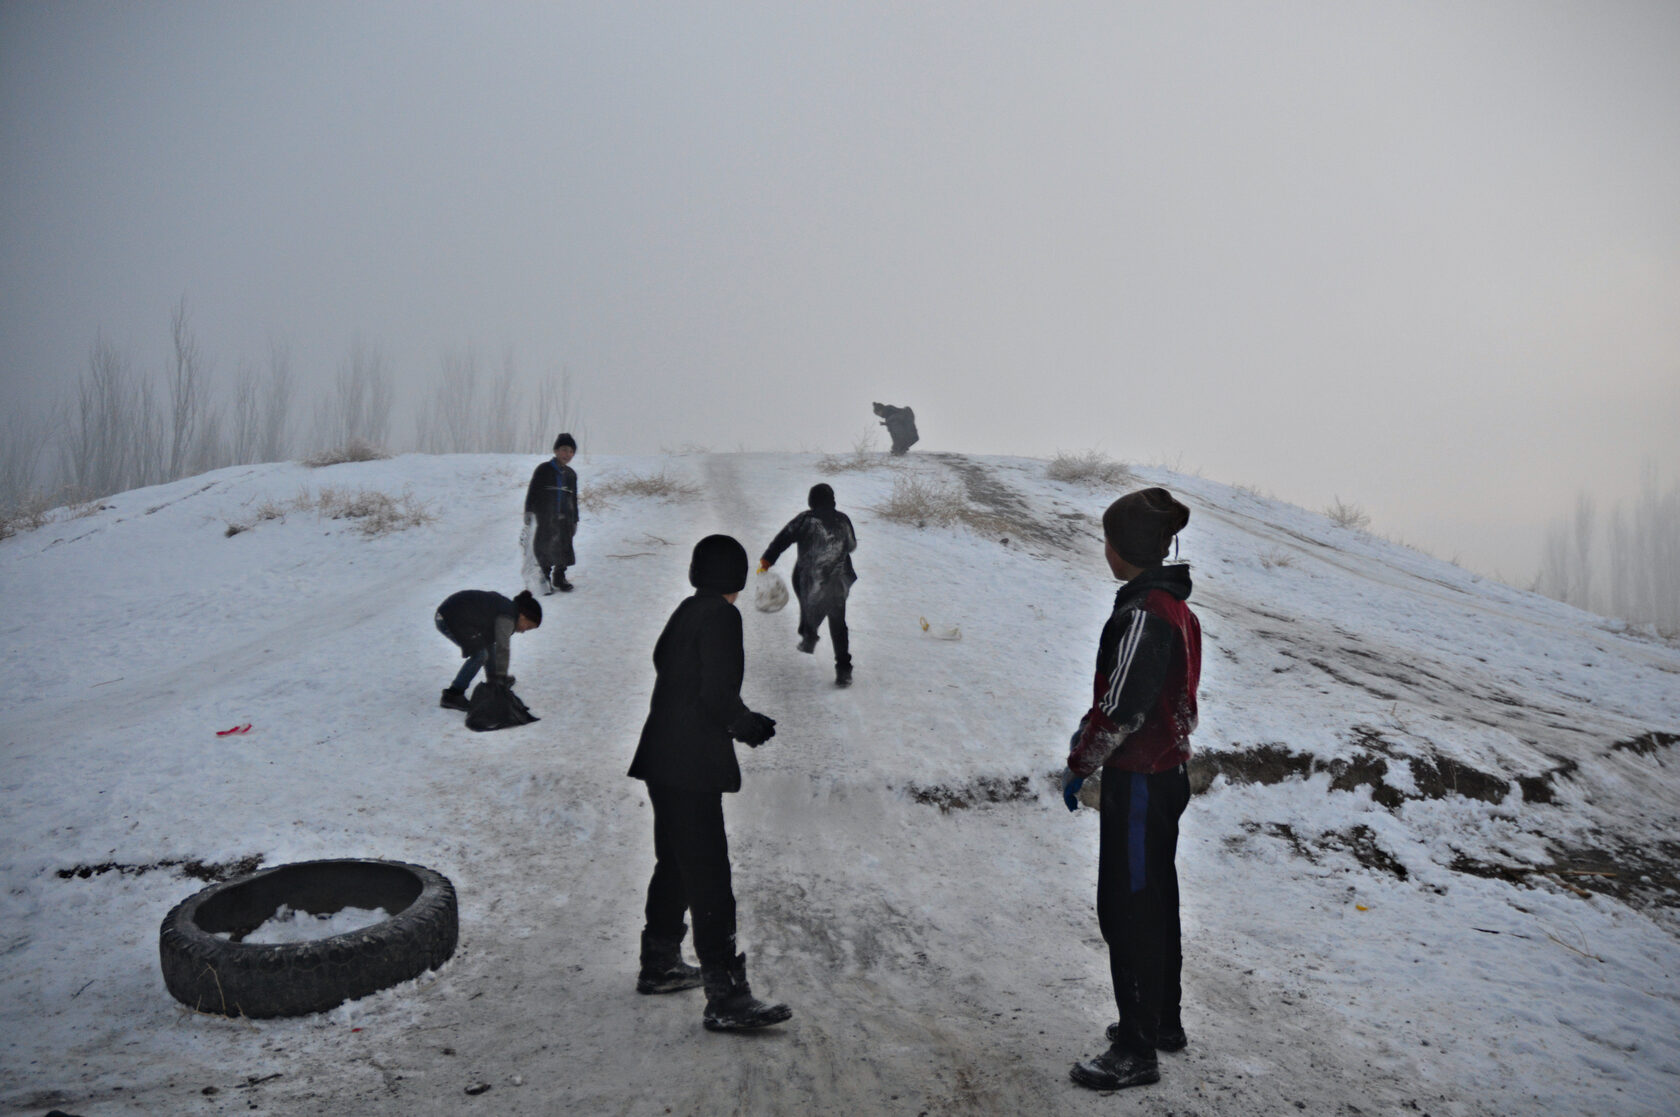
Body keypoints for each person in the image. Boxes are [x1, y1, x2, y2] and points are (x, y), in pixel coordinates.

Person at [1059, 487, 1201, 1092]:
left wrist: (1080, 763)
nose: (1106, 551)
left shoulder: (1145, 613)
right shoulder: (1174, 607)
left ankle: (1137, 1047)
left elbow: (1120, 709)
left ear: (1122, 550)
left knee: (1129, 910)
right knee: (1155, 902)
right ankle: (1161, 1022)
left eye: (1108, 541)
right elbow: (1182, 707)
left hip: (1140, 782)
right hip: (1162, 774)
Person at [626, 534, 792, 1032]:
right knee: (710, 876)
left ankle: (659, 964)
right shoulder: (722, 615)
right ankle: (726, 995)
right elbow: (716, 692)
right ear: (734, 578)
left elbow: (670, 668)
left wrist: (732, 718)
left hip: (662, 757)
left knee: (676, 863)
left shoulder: (685, 610)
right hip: (690, 762)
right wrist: (748, 724)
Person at [759, 483, 858, 687]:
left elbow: (783, 538)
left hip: (810, 578)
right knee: (838, 622)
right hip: (838, 581)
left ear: (812, 501)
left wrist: (768, 559)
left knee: (809, 600)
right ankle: (843, 670)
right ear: (832, 500)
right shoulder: (843, 519)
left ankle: (809, 633)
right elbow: (851, 545)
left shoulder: (806, 519)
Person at [434, 589, 542, 710]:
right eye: (527, 627)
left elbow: (490, 643)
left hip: (458, 617)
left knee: (487, 645)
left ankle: (494, 681)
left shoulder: (508, 609)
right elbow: (503, 648)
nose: (523, 631)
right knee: (480, 655)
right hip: (450, 618)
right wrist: (501, 677)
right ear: (523, 616)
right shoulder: (508, 617)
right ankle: (453, 694)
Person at [525, 433, 580, 593]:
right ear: (556, 450)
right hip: (546, 517)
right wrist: (529, 511)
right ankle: (545, 577)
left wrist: (575, 519)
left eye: (571, 451)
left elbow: (574, 498)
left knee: (564, 546)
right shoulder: (543, 470)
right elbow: (532, 492)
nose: (567, 454)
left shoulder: (571, 474)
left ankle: (559, 576)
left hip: (566, 518)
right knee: (545, 547)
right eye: (564, 450)